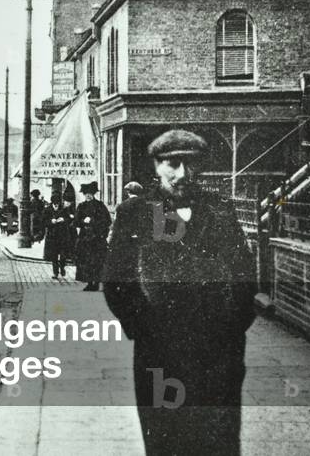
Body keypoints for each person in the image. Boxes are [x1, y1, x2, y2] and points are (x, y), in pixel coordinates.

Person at [103, 129, 258, 456]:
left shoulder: (221, 210)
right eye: (173, 164)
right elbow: (117, 283)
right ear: (157, 166)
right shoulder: (136, 214)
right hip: (160, 352)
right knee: (165, 437)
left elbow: (246, 276)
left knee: (218, 439)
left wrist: (229, 331)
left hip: (217, 354)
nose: (183, 174)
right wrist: (146, 330)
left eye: (191, 164)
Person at [73, 181, 111, 291]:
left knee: (97, 261)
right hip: (85, 239)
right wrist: (83, 221)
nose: (88, 195)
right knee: (86, 261)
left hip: (97, 239)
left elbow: (106, 221)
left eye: (90, 193)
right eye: (86, 194)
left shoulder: (100, 206)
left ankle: (97, 283)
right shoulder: (81, 206)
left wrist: (93, 221)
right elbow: (75, 222)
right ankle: (89, 283)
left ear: (93, 194)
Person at [43, 193, 74, 279]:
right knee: (54, 255)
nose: (56, 205)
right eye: (55, 203)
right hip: (52, 236)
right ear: (52, 203)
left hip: (62, 235)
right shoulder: (47, 210)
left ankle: (62, 267)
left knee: (63, 254)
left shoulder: (64, 209)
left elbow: (69, 219)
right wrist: (50, 221)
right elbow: (43, 221)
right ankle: (55, 272)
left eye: (57, 203)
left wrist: (63, 219)